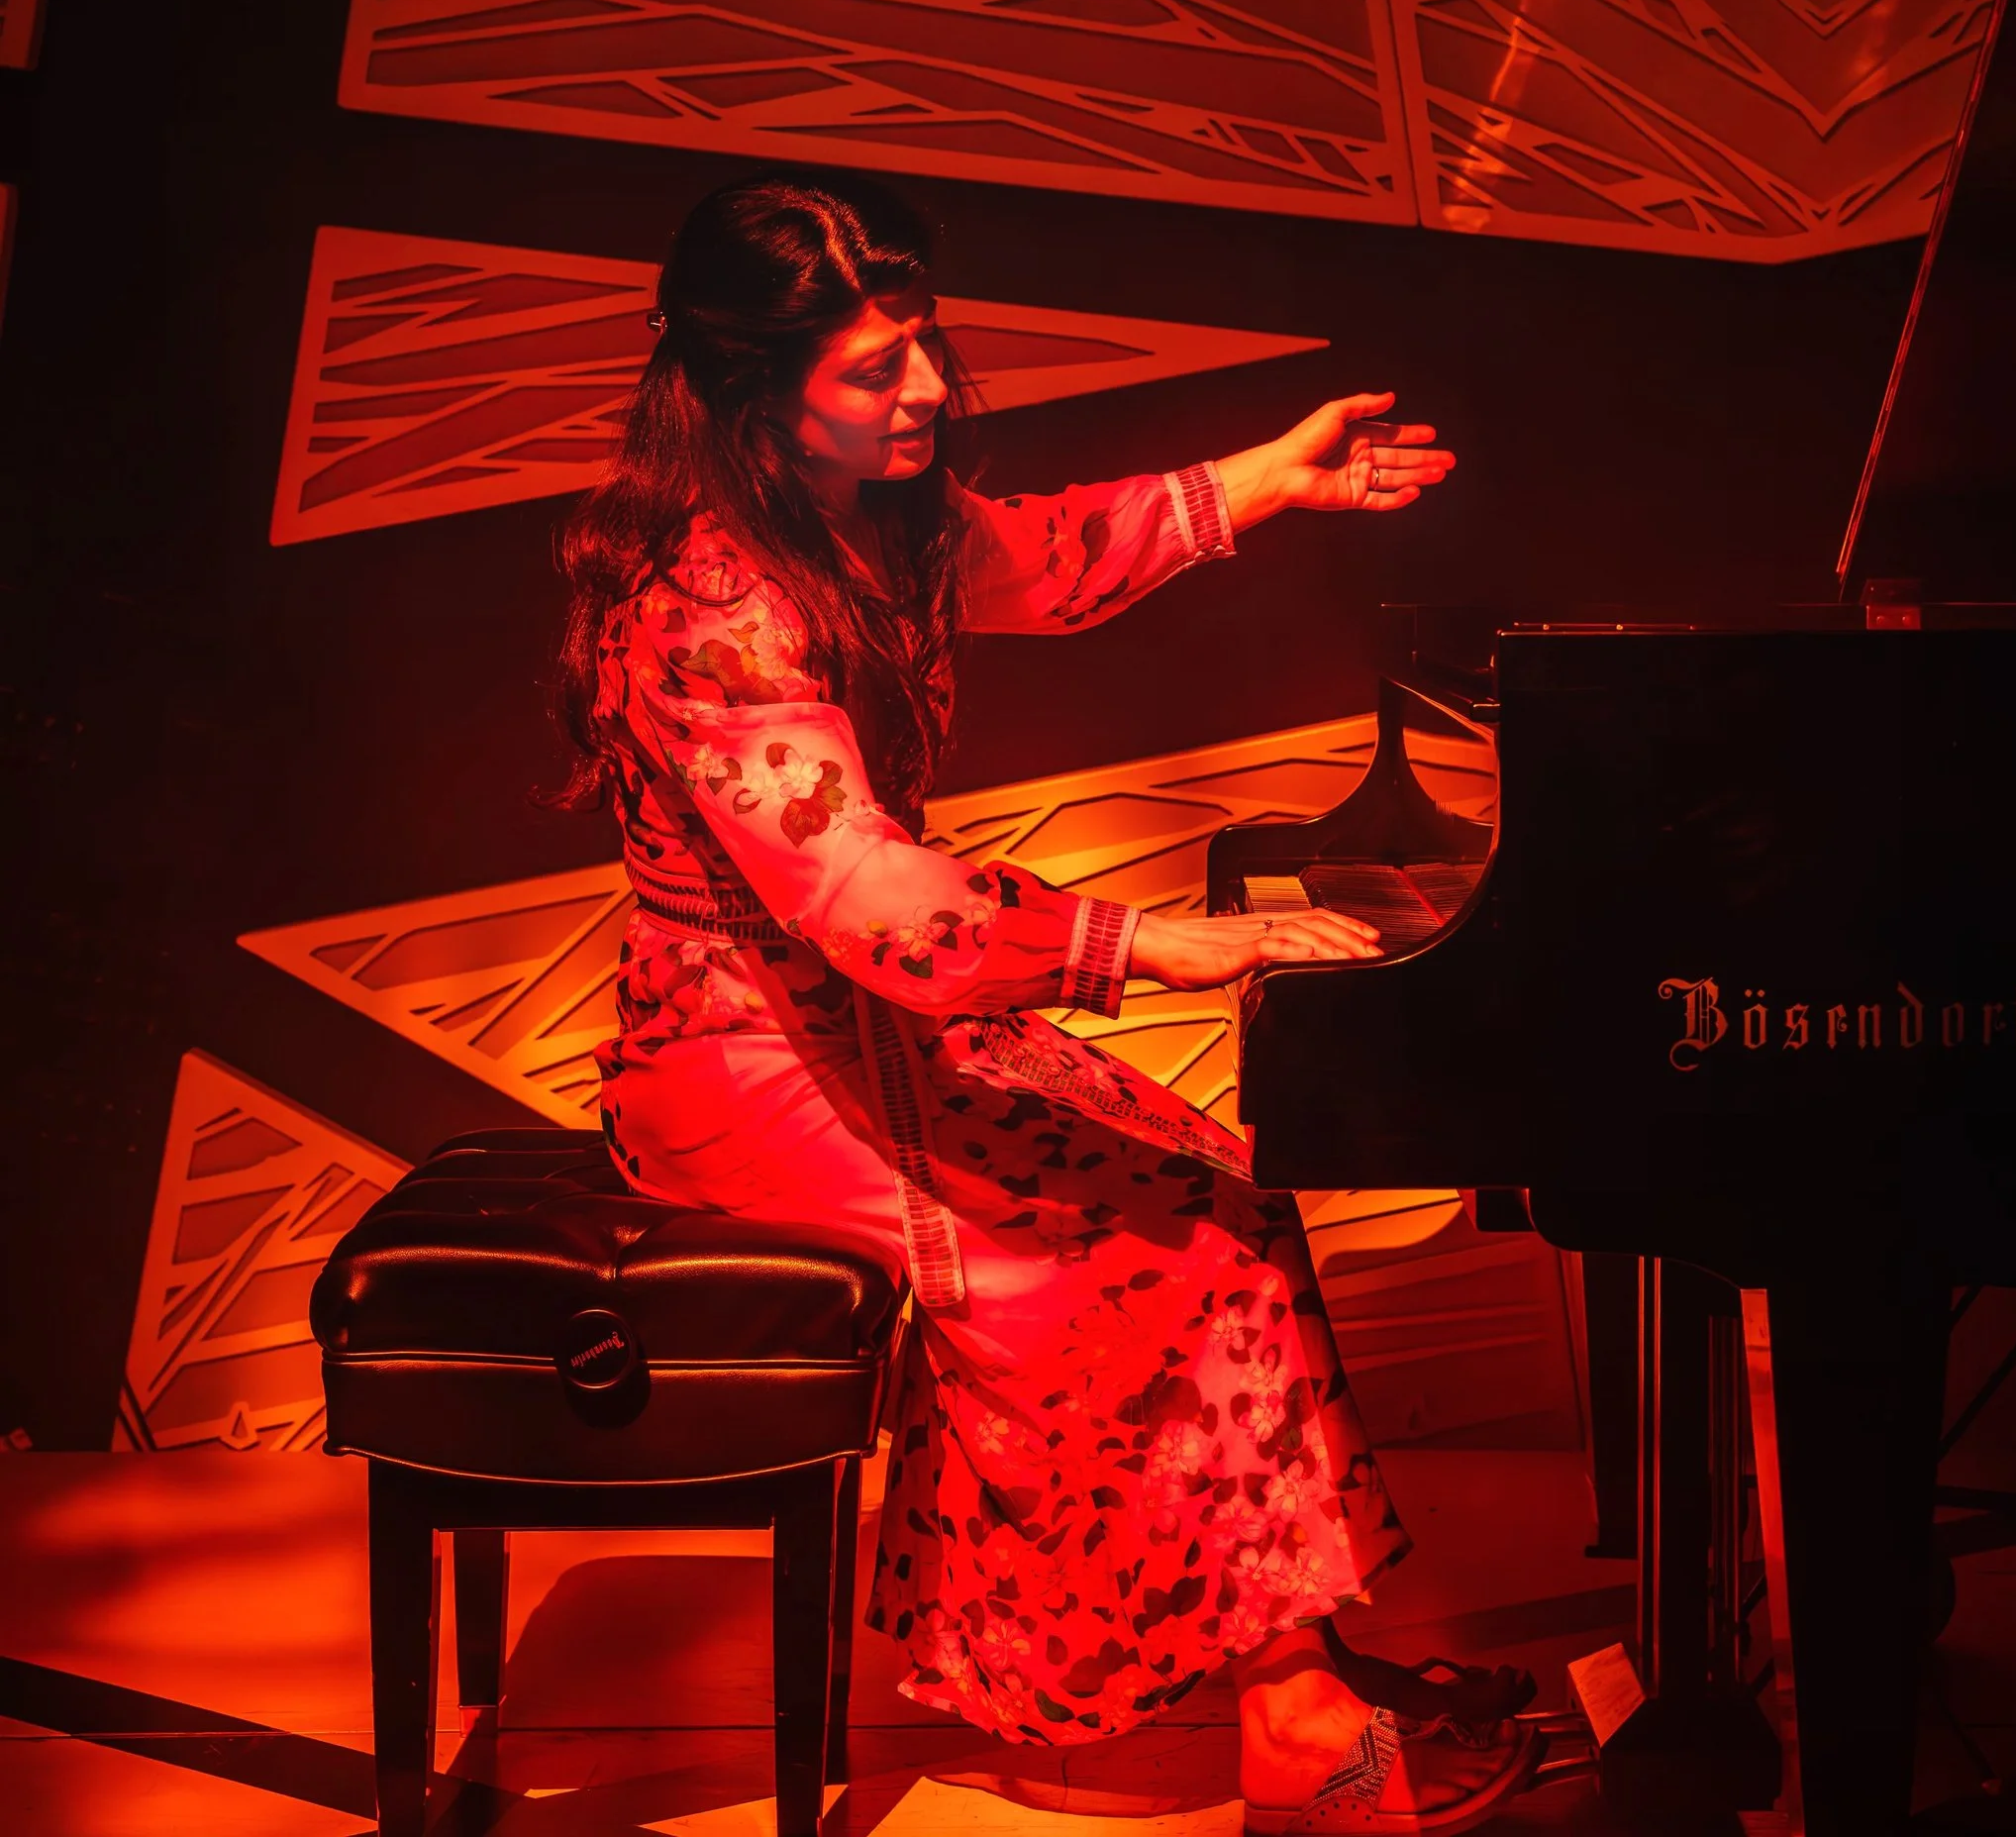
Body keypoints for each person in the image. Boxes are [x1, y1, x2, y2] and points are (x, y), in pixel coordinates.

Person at [553, 175, 1541, 1834]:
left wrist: (1265, 482)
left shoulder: (861, 528)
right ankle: (1294, 1718)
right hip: (744, 1063)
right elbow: (869, 902)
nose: (928, 389)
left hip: (863, 1028)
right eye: (878, 370)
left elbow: (1059, 553)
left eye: (922, 346)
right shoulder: (708, 607)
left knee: (1215, 1183)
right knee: (1161, 1243)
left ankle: (1293, 1675)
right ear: (750, 392)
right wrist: (1156, 947)